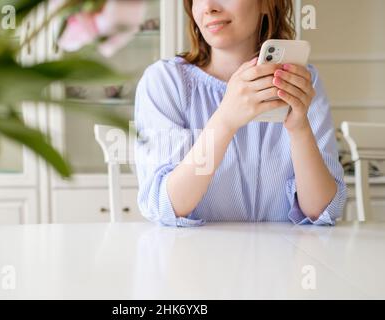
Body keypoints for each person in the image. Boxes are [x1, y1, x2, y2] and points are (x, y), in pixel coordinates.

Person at [134, 0, 347, 227]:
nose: (208, 7)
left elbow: (323, 211)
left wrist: (299, 128)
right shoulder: (165, 82)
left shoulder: (301, 82)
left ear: (266, 4)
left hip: (283, 258)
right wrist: (225, 120)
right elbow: (164, 205)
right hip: (194, 258)